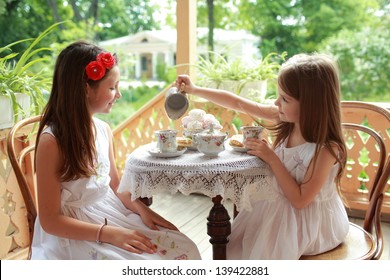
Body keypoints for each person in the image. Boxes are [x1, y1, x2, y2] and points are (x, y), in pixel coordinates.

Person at [31, 40, 201, 260]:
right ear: (85, 89)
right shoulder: (52, 142)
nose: (118, 94)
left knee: (184, 247)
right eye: (112, 87)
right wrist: (109, 234)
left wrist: (143, 210)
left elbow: (114, 184)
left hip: (109, 212)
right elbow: (50, 220)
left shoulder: (102, 130)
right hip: (74, 232)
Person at [175, 53, 349, 259]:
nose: (276, 102)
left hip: (312, 225)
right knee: (235, 247)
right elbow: (238, 103)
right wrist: (195, 89)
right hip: (275, 208)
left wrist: (271, 157)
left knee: (259, 252)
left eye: (285, 99)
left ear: (311, 104)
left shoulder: (326, 149)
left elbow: (300, 200)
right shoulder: (284, 117)